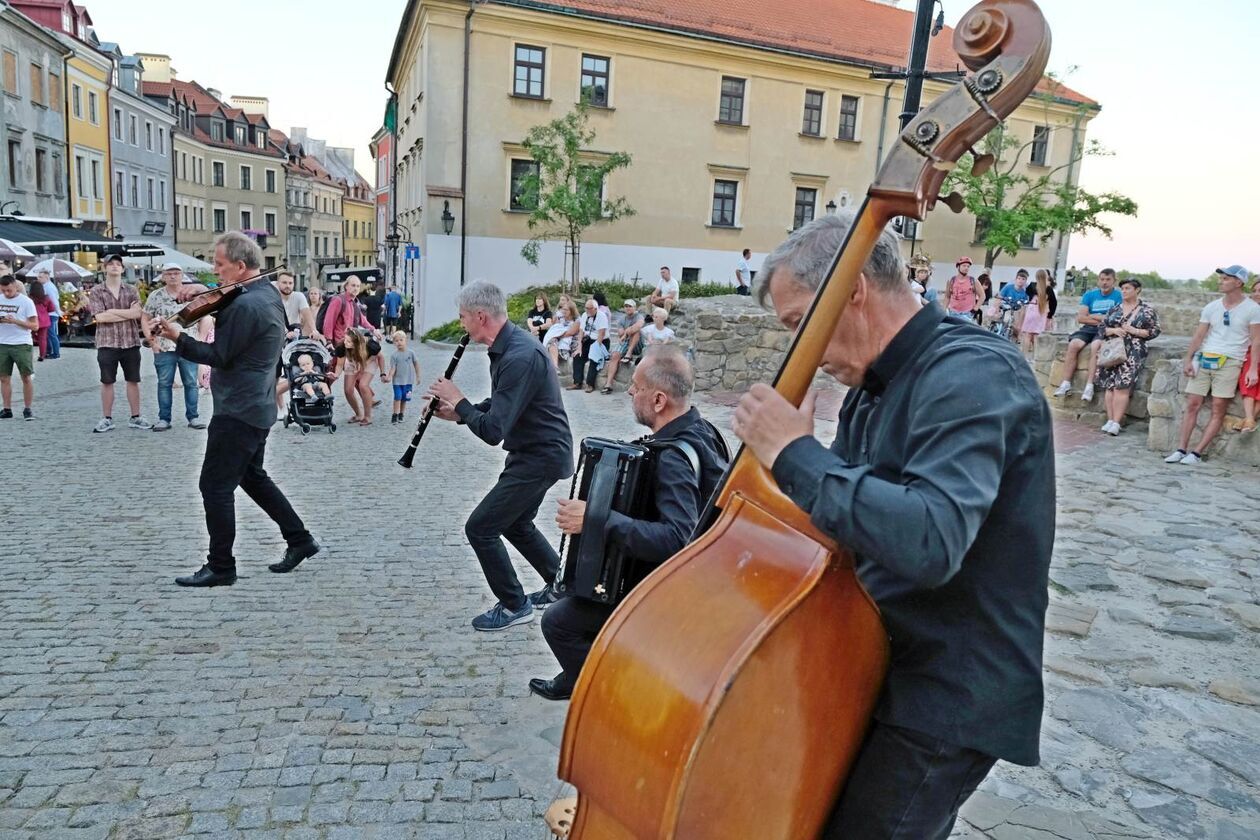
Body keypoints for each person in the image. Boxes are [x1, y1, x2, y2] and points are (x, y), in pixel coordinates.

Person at [732, 213, 1054, 839]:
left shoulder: (970, 374)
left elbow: (931, 540)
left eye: (801, 324)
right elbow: (852, 528)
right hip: (877, 659)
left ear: (852, 290)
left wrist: (795, 454)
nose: (804, 353)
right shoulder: (872, 386)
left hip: (947, 686)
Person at [531, 346, 727, 700]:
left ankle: (614, 695)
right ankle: (583, 672)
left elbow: (677, 540)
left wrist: (595, 519)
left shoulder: (672, 459)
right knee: (574, 587)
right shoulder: (705, 430)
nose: (630, 392)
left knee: (558, 622)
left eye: (636, 388)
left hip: (668, 589)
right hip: (699, 577)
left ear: (658, 400)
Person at [151, 232, 319, 587]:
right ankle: (300, 539)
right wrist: (198, 291)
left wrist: (176, 336)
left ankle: (221, 567)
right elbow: (227, 301)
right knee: (252, 476)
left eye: (220, 265)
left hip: (238, 410)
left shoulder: (244, 305)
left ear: (241, 267)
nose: (215, 272)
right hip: (258, 403)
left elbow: (218, 356)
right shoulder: (264, 293)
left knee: (214, 486)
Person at [426, 280, 573, 631]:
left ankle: (513, 604)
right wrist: (460, 412)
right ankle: (562, 586)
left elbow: (494, 431)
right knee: (516, 523)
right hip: (535, 451)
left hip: (540, 455)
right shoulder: (508, 349)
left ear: (480, 316)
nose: (461, 323)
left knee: (481, 527)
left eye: (462, 317)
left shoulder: (519, 355)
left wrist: (459, 399)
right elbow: (502, 407)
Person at [1164, 265, 1260, 464]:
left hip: (1231, 361)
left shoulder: (1253, 309)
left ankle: (1197, 453)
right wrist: (1189, 359)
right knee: (1192, 404)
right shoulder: (1212, 307)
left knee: (1218, 407)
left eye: (1226, 278)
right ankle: (1181, 449)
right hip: (1206, 358)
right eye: (1222, 278)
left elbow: (1256, 340)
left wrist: (1252, 369)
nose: (1221, 281)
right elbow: (1200, 334)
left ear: (1238, 283)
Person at [89, 253, 151, 432]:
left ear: (122, 269)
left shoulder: (131, 290)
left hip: (130, 341)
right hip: (107, 342)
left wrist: (113, 312)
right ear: (105, 268)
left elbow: (138, 313)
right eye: (111, 264)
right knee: (107, 381)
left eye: (118, 264)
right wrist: (125, 312)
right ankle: (107, 418)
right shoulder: (97, 291)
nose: (115, 266)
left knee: (133, 380)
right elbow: (100, 317)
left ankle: (136, 416)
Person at [140, 263, 206, 431]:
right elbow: (145, 318)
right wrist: (152, 342)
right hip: (163, 345)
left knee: (191, 382)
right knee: (164, 383)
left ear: (182, 275)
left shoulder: (191, 294)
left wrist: (201, 339)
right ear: (163, 277)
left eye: (176, 273)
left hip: (188, 344)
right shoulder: (156, 295)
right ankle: (164, 419)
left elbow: (203, 317)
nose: (173, 276)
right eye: (169, 273)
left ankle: (193, 417)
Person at [1095, 278, 1161, 436]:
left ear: (1137, 290)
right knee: (1109, 386)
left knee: (1122, 387)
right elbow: (1102, 327)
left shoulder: (1146, 310)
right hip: (1112, 350)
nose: (1124, 291)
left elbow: (1155, 331)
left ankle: (1117, 423)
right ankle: (1110, 420)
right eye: (1123, 288)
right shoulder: (1115, 308)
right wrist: (1113, 331)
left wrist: (1134, 331)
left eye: (1127, 288)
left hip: (1133, 352)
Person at [1052, 268, 1122, 401]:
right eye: (1102, 279)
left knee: (1096, 346)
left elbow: (1115, 319)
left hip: (1106, 330)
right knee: (1073, 344)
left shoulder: (1118, 296)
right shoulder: (1090, 295)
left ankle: (1089, 386)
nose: (1104, 283)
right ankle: (1066, 383)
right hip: (1088, 328)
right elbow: (1081, 318)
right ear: (1098, 280)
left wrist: (1093, 315)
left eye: (1108, 280)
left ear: (1114, 281)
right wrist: (1102, 318)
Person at [0, 274, 37, 420]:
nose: (6, 293)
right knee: (3, 378)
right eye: (3, 290)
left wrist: (15, 321)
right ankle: (7, 408)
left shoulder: (26, 302)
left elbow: (35, 326)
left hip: (21, 343)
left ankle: (28, 408)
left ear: (15, 286)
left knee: (26, 377)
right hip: (2, 343)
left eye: (9, 290)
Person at [600, 298, 646, 394]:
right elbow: (620, 333)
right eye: (626, 306)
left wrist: (627, 332)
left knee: (636, 332)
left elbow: (638, 326)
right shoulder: (622, 319)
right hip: (626, 341)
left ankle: (628, 354)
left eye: (630, 306)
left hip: (638, 344)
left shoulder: (639, 316)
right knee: (615, 355)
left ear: (634, 308)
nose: (628, 308)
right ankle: (608, 384)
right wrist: (627, 332)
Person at [332, 330, 376, 425]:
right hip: (352, 361)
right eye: (345, 340)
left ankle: (368, 417)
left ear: (356, 343)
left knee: (363, 386)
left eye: (348, 341)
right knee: (348, 390)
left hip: (368, 360)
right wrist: (336, 375)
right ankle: (358, 415)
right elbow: (339, 365)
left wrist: (383, 373)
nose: (345, 342)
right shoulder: (342, 346)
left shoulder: (369, 344)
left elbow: (377, 356)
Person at [568, 298, 609, 393]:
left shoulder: (601, 316)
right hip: (589, 339)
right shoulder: (584, 315)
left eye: (590, 308)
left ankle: (590, 384)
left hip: (601, 341)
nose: (587, 310)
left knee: (594, 358)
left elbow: (601, 334)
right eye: (586, 308)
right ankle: (577, 382)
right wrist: (579, 347)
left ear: (595, 309)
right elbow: (581, 331)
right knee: (578, 356)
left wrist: (595, 348)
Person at [1237, 278, 1260, 434]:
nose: (1257, 294)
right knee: (1249, 374)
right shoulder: (1248, 310)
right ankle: (1250, 419)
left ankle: (1249, 419)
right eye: (1255, 291)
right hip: (1251, 351)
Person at [1019, 269, 1055, 360]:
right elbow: (1054, 303)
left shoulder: (1032, 286)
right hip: (1041, 312)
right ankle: (1036, 358)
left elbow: (1027, 293)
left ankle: (1024, 357)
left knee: (1027, 335)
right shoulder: (1049, 289)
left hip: (1031, 311)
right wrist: (1050, 315)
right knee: (1036, 336)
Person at [388, 330, 421, 424]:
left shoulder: (411, 353)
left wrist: (418, 376)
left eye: (401, 340)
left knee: (404, 398)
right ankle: (395, 414)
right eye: (396, 341)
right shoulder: (394, 355)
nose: (399, 342)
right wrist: (390, 376)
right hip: (397, 382)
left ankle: (401, 414)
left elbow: (416, 364)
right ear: (394, 343)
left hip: (408, 381)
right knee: (397, 397)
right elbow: (393, 368)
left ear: (405, 340)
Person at [543, 300, 580, 370]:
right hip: (558, 338)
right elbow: (554, 327)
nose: (564, 311)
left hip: (571, 342)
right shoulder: (560, 318)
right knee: (552, 341)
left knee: (553, 340)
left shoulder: (577, 321)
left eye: (566, 310)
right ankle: (555, 366)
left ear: (571, 311)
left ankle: (554, 366)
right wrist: (554, 334)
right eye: (563, 309)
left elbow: (570, 333)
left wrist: (556, 335)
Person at [945, 257, 982, 321]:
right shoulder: (951, 280)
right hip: (953, 312)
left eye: (968, 266)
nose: (966, 268)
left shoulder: (973, 281)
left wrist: (975, 309)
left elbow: (982, 296)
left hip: (967, 313)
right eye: (964, 266)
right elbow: (947, 296)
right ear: (958, 267)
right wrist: (944, 309)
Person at [27, 280, 54, 361]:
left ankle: (29, 355)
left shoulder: (29, 298)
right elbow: (51, 308)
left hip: (32, 320)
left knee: (29, 337)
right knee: (43, 339)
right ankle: (42, 355)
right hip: (44, 321)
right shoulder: (46, 298)